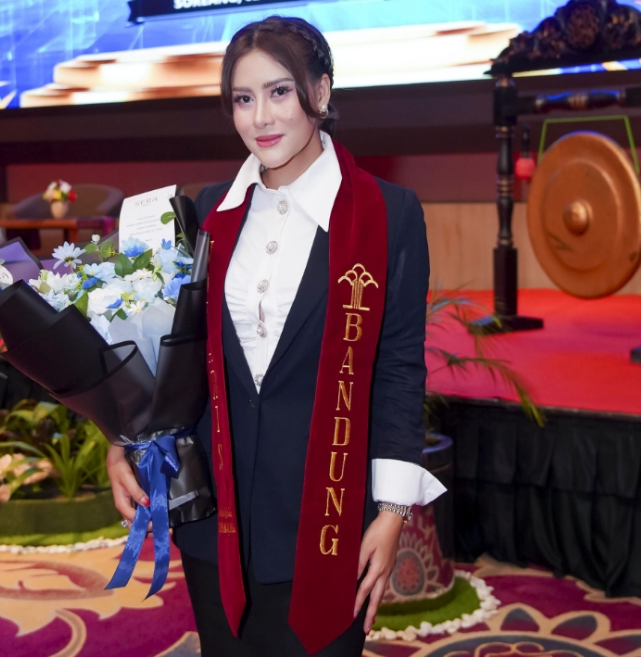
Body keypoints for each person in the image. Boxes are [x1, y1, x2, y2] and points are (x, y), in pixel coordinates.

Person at [106, 15, 444, 657]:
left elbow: (398, 366)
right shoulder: (206, 213)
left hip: (328, 522)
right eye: (243, 98)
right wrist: (122, 438)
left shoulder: (387, 214)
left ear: (320, 91)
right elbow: (164, 353)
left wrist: (393, 511)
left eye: (279, 91)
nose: (260, 117)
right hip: (216, 520)